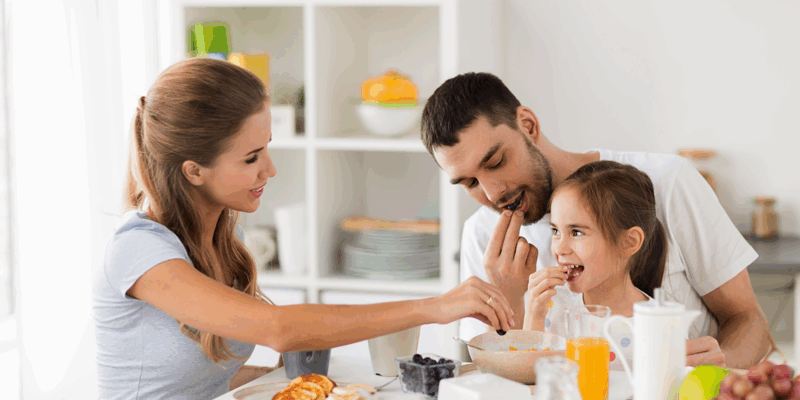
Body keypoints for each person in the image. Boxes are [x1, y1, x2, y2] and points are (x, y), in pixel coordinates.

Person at [91, 58, 514, 400]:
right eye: (251, 157)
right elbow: (279, 329)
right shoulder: (140, 252)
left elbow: (199, 382)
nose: (269, 169)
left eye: (268, 148)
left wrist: (293, 382)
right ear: (194, 171)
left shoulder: (220, 239)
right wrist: (435, 306)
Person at [421, 72, 773, 368]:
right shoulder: (483, 237)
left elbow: (749, 321)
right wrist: (510, 302)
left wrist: (717, 366)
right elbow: (496, 378)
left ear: (527, 125)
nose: (493, 193)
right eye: (468, 183)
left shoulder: (667, 182)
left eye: (496, 162)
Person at [522, 160, 666, 370]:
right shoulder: (552, 308)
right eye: (555, 231)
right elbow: (530, 383)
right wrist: (534, 315)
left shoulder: (662, 324)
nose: (560, 249)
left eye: (577, 232)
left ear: (629, 242)